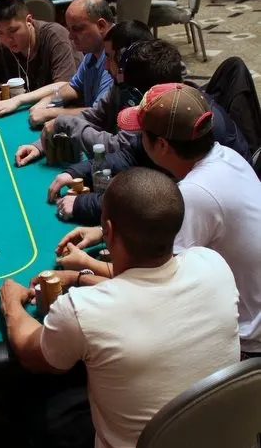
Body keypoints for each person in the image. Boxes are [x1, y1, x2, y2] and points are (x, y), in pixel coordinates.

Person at [0, 167, 240, 448]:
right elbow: (148, 287)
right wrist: (81, 276)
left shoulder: (82, 312)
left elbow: (31, 353)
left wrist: (11, 304)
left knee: (36, 401)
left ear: (108, 231)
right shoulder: (213, 265)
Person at [57, 84, 261, 355]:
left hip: (246, 343)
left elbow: (152, 289)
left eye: (141, 134)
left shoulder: (195, 193)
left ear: (162, 145)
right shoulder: (226, 156)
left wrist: (83, 269)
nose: (137, 140)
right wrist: (100, 231)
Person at [45, 41, 250, 223]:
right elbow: (132, 154)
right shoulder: (178, 113)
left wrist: (85, 205)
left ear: (162, 145)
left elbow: (154, 206)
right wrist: (77, 172)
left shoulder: (196, 182)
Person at [22, 20, 154, 167]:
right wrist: (40, 144)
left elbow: (118, 147)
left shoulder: (152, 97)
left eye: (109, 57)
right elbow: (95, 116)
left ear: (126, 61)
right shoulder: (121, 86)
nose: (105, 66)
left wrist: (64, 123)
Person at [14, 0, 114, 164]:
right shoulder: (92, 53)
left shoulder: (115, 61)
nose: (70, 36)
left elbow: (97, 115)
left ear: (101, 25)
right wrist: (47, 101)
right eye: (69, 29)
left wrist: (50, 114)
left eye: (77, 29)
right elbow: (74, 87)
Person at [0, 0, 78, 118]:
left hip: (67, 111)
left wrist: (18, 100)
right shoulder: (0, 45)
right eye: (0, 32)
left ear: (28, 21)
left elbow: (64, 85)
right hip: (31, 112)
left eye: (13, 30)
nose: (8, 39)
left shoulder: (55, 36)